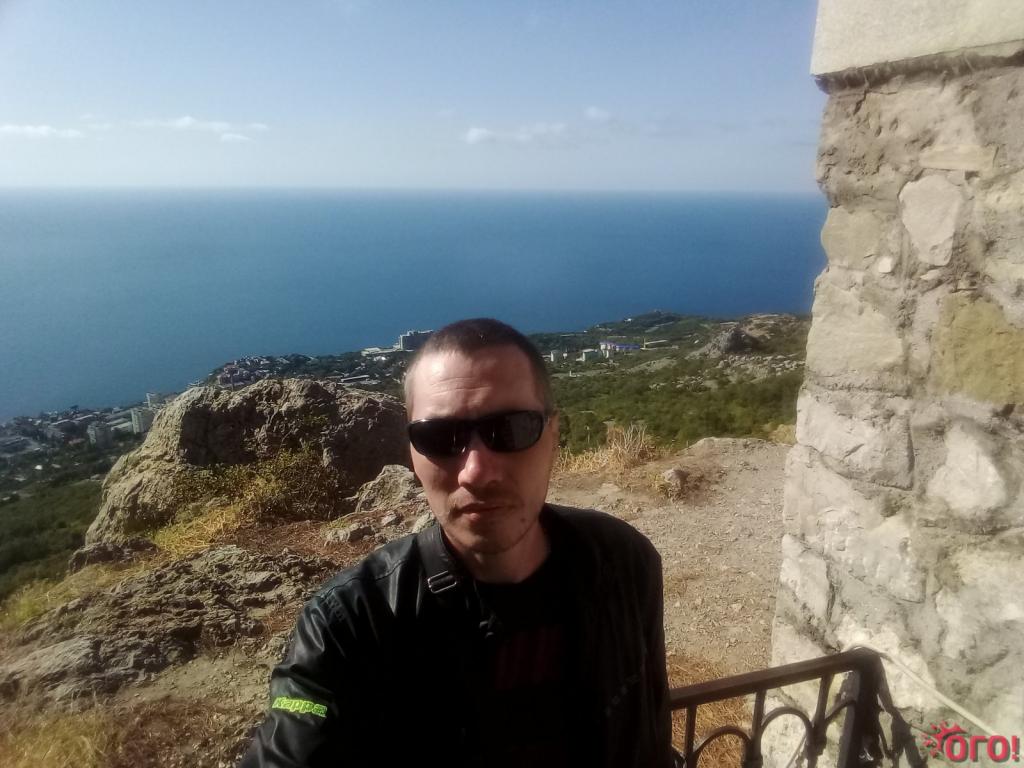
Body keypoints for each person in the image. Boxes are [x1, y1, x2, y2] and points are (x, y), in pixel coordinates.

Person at [240, 318, 673, 768]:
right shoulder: (351, 624)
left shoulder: (624, 562)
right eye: (440, 437)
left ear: (553, 436)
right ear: (412, 453)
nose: (476, 472)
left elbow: (651, 732)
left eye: (511, 429)